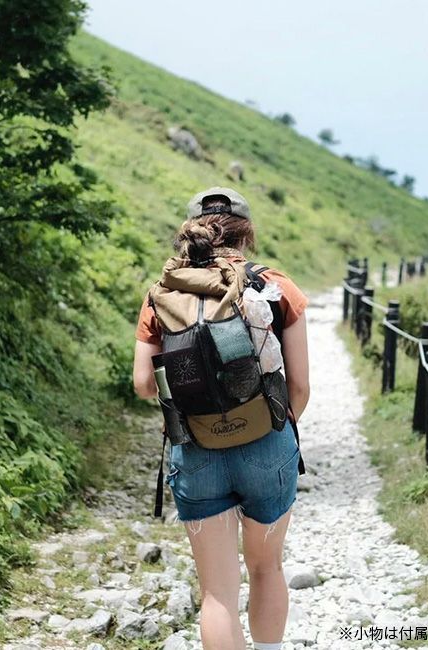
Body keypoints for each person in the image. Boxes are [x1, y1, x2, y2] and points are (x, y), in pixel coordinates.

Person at [133, 187, 310, 650]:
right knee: (267, 568)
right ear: (246, 233)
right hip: (266, 444)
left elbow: (144, 384)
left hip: (195, 447)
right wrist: (270, 428)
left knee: (217, 593)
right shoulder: (276, 286)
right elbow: (301, 388)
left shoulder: (164, 293)